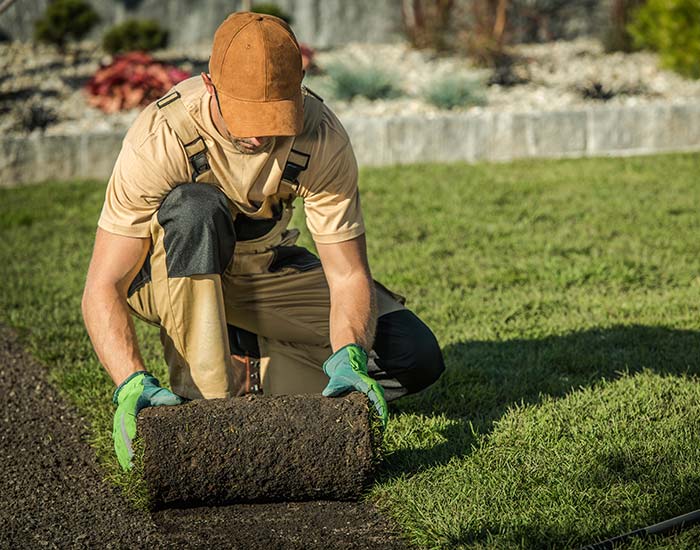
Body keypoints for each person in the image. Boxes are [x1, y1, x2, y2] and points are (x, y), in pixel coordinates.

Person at [81, 11, 445, 470]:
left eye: (273, 116)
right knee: (196, 207)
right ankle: (205, 403)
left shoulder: (321, 136)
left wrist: (349, 355)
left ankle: (249, 364)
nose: (258, 133)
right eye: (246, 114)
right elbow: (104, 286)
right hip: (170, 278)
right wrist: (129, 381)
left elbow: (348, 273)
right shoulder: (162, 137)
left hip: (262, 271)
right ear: (210, 86)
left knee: (413, 355)